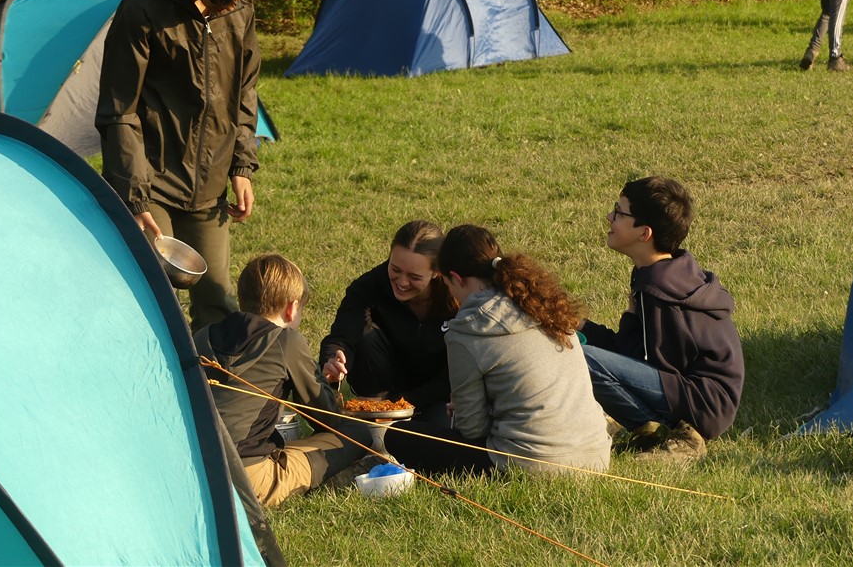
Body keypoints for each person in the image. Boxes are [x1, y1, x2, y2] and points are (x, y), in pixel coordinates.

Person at [96, 0, 263, 331]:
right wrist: (135, 199)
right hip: (151, 185)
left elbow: (245, 91)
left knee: (218, 304)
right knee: (157, 305)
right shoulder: (142, 11)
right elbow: (120, 111)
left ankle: (216, 391)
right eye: (222, 0)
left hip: (211, 186)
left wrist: (242, 166)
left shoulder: (237, 3)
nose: (231, 6)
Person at [383, 224, 610, 476]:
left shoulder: (467, 330)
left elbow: (472, 431)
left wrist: (464, 409)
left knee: (398, 435)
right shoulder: (544, 305)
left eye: (447, 284)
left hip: (533, 463)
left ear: (455, 279)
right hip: (596, 455)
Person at [580, 176, 745, 461]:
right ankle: (651, 427)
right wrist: (581, 326)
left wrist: (627, 323)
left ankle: (677, 436)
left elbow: (652, 365)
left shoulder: (660, 290)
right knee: (584, 353)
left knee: (582, 359)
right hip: (699, 395)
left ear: (644, 233)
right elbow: (634, 355)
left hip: (703, 403)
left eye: (619, 212)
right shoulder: (666, 271)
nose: (610, 217)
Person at [194, 254, 372, 507]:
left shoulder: (203, 335)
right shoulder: (285, 340)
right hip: (245, 480)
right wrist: (325, 383)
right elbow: (327, 419)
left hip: (193, 467)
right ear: (292, 308)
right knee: (357, 433)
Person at [319, 220, 457, 424]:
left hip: (437, 395)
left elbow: (460, 370)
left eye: (414, 276)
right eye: (395, 269)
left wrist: (407, 403)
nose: (402, 282)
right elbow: (341, 337)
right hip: (380, 391)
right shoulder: (369, 286)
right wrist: (332, 360)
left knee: (439, 433)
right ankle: (372, 416)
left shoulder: (456, 297)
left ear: (437, 272)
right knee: (363, 334)